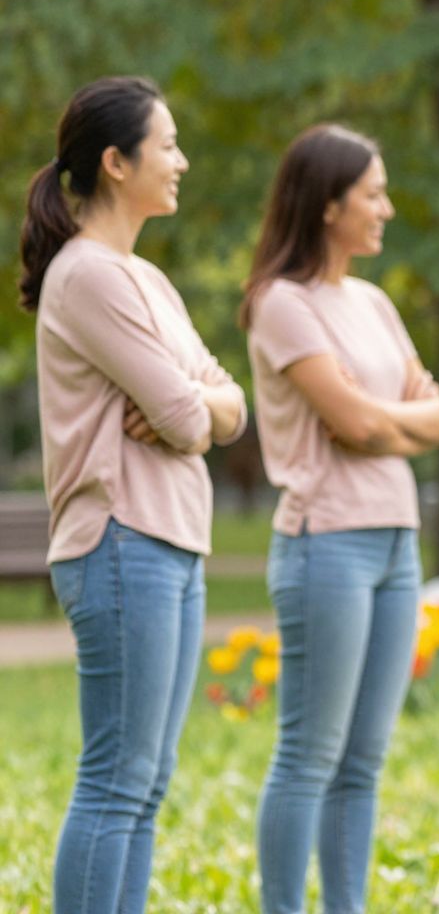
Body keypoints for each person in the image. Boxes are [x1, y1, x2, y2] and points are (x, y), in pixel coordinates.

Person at [22, 77, 246, 914]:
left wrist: (198, 404)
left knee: (147, 782)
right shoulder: (89, 277)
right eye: (169, 145)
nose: (183, 161)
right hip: (121, 542)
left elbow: (226, 405)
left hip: (171, 541)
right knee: (117, 779)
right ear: (117, 164)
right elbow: (192, 418)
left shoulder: (145, 279)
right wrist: (194, 406)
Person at [241, 124, 439, 914]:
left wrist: (388, 419)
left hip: (397, 541)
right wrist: (391, 420)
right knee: (310, 754)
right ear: (329, 205)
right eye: (373, 194)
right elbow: (363, 425)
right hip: (324, 541)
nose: (386, 209)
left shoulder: (371, 301)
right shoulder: (281, 305)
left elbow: (437, 419)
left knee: (363, 760)